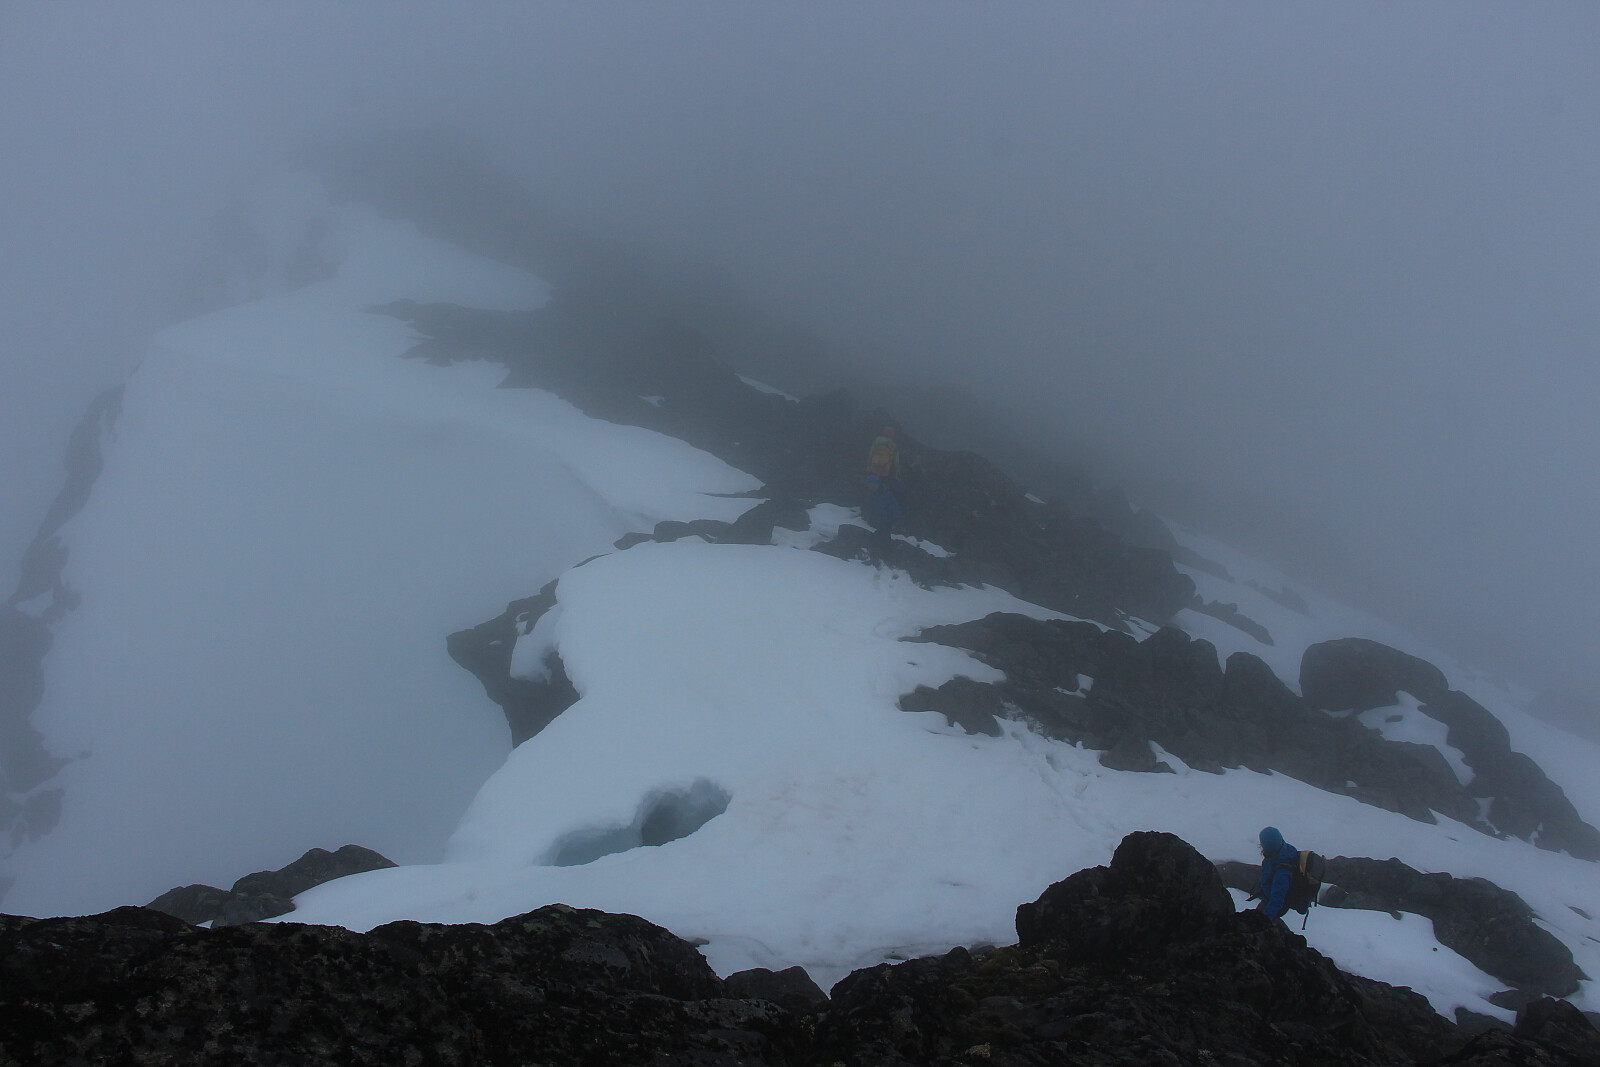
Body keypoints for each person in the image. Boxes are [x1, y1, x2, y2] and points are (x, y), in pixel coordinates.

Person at [864, 426, 904, 556]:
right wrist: (896, 475)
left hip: (874, 472)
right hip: (886, 475)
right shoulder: (892, 445)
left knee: (877, 495)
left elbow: (870, 455)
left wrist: (869, 469)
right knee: (885, 496)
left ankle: (879, 549)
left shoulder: (876, 442)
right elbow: (896, 462)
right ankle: (886, 551)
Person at [1252, 826, 1299, 920]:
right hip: (1269, 900)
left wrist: (1265, 919)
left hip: (1272, 906)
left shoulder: (1282, 872)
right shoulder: (1282, 852)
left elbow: (1277, 900)